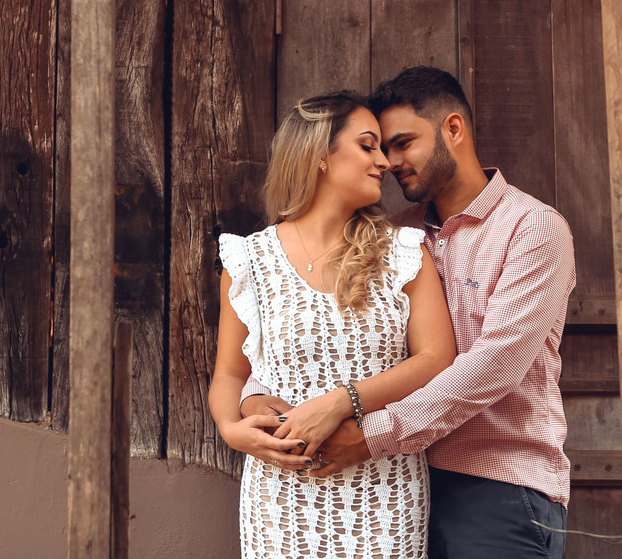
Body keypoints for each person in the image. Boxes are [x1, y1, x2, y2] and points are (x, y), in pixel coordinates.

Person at [244, 67, 576, 559]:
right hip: (396, 484)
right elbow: (319, 330)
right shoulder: (393, 238)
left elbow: (497, 364)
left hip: (496, 484)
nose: (389, 161)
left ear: (454, 129)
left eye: (402, 143)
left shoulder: (531, 228)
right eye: (379, 146)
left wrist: (369, 433)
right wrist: (258, 401)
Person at [208, 91, 456, 559]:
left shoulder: (403, 249)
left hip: (385, 488)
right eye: (368, 146)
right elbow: (230, 373)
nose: (384, 162)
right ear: (319, 154)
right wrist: (229, 427)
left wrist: (340, 404)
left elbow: (436, 358)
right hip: (280, 497)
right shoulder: (249, 259)